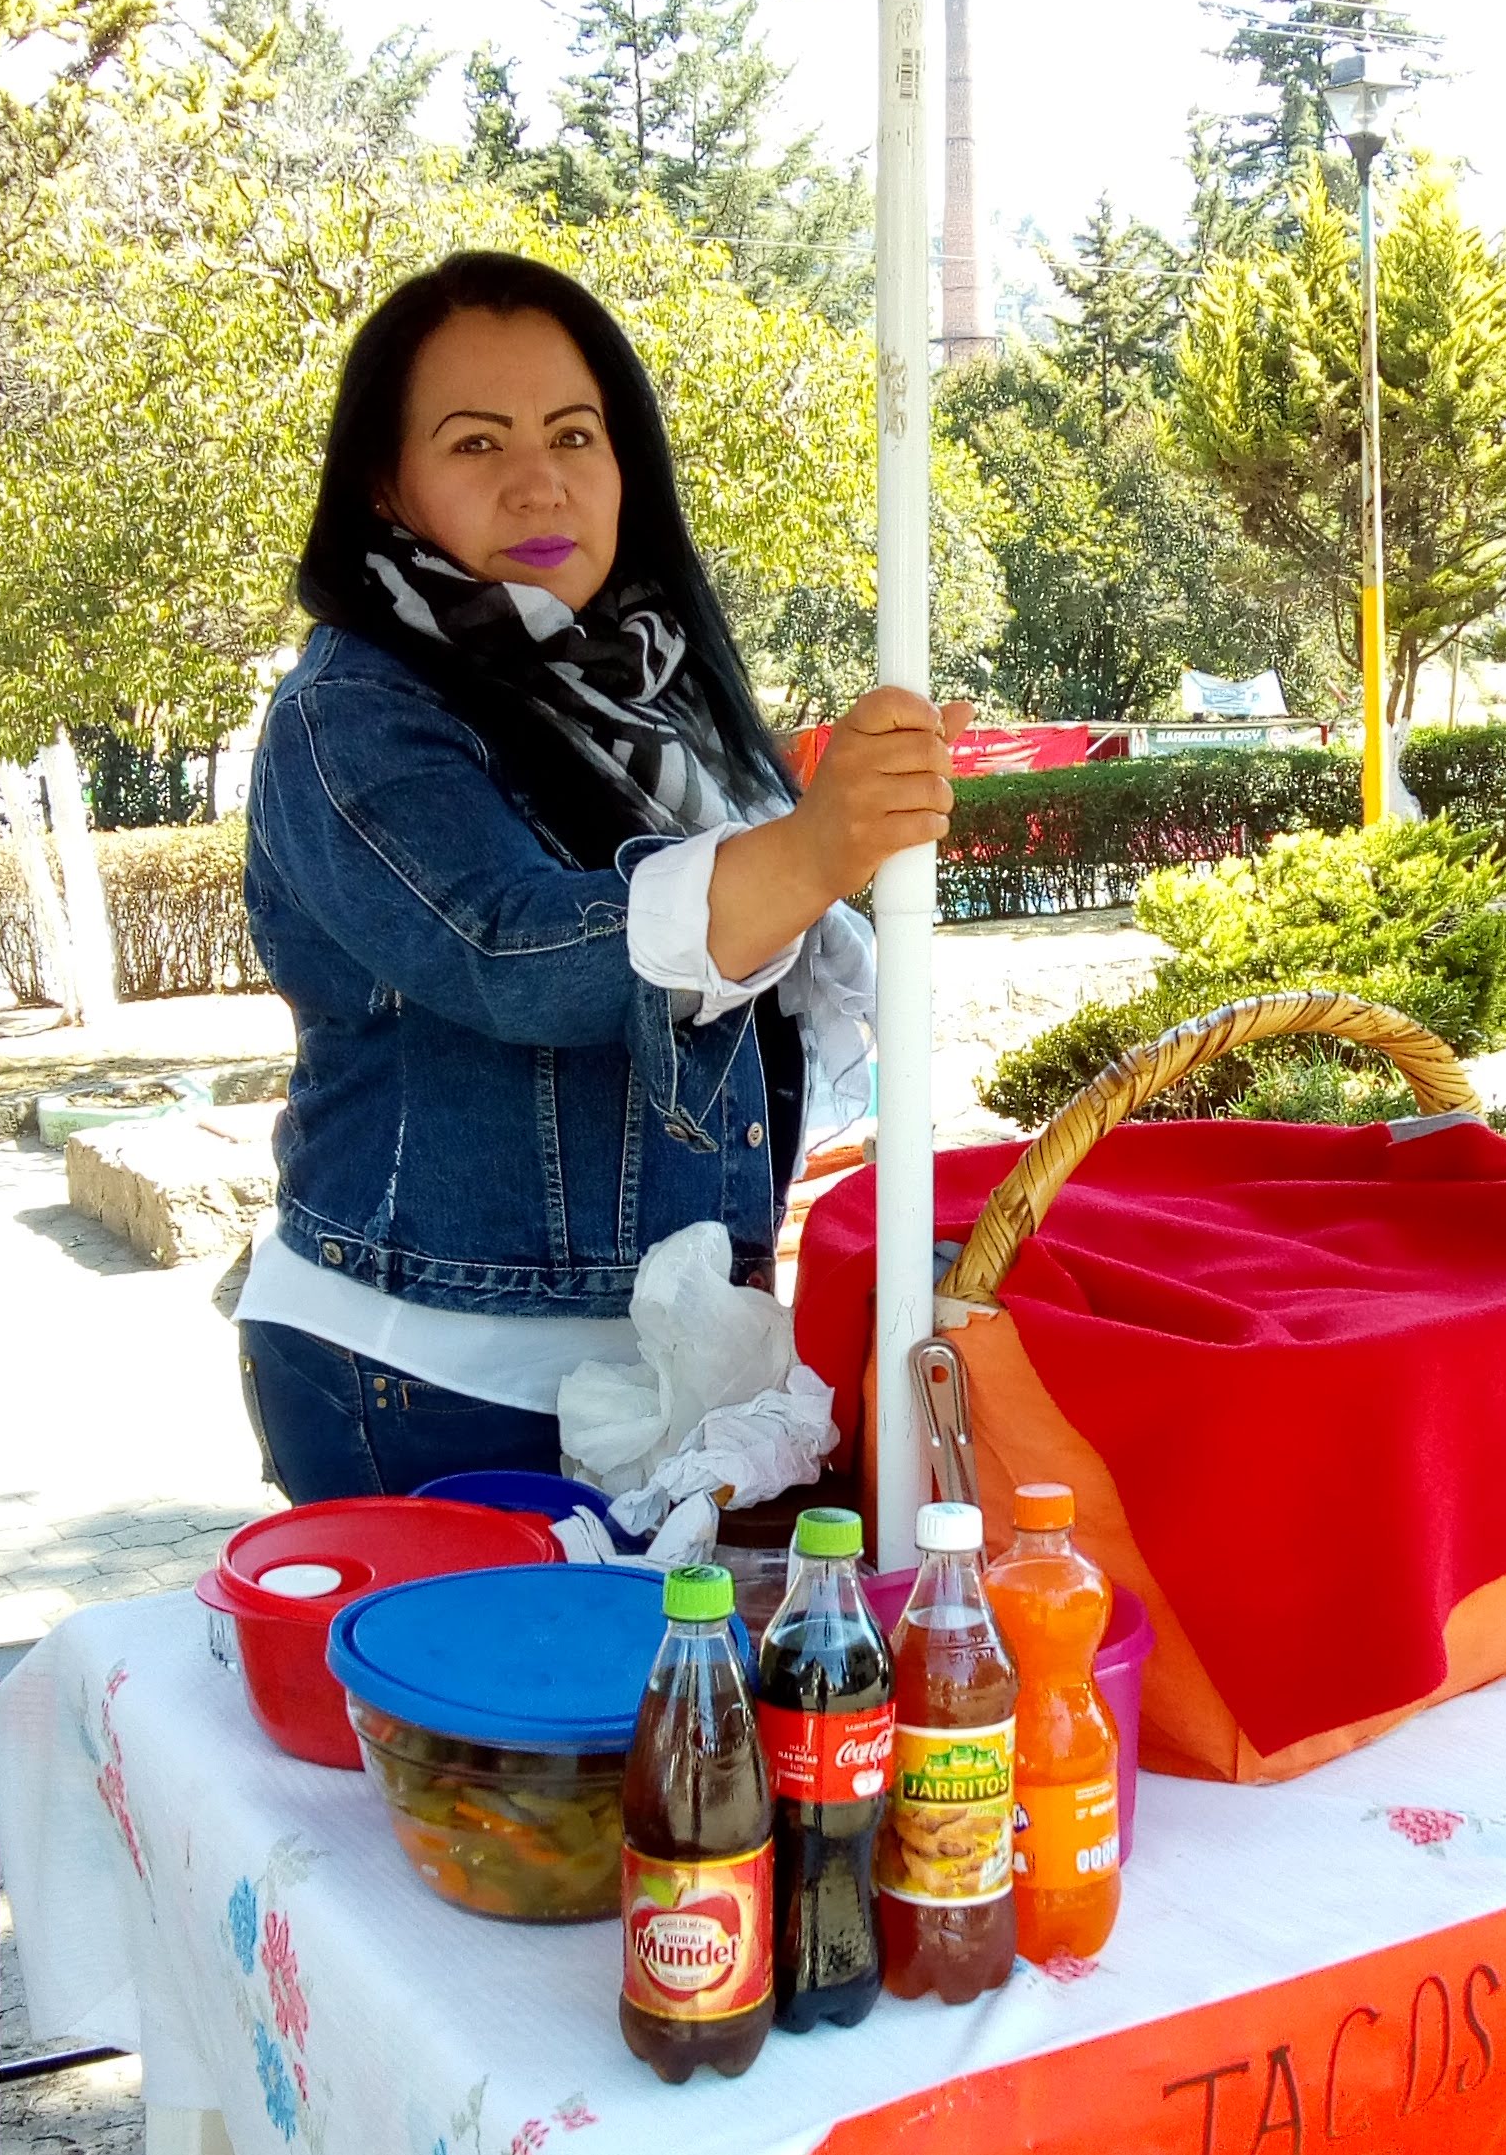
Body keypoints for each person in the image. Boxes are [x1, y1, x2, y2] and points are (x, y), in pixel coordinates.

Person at [235, 249, 966, 1502]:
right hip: (427, 1379)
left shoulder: (645, 690)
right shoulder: (350, 714)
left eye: (576, 434)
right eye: (476, 444)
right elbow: (508, 948)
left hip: (659, 1362)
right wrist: (809, 850)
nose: (540, 480)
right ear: (385, 485)